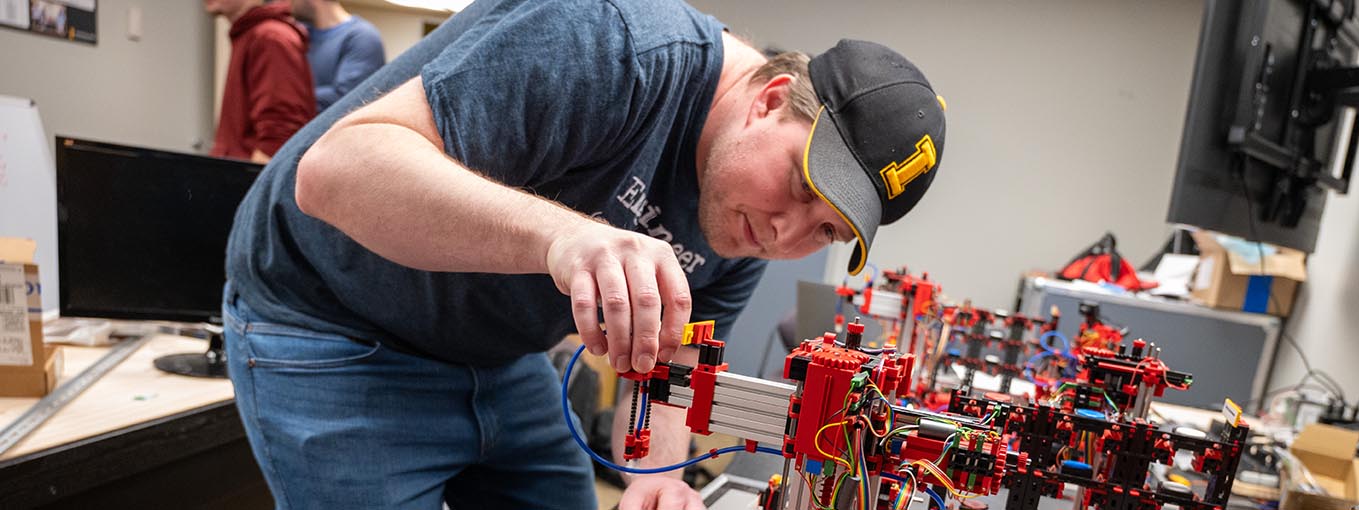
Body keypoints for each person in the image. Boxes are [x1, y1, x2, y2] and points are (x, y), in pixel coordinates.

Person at [222, 0, 948, 508]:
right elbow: (333, 173)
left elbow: (670, 368)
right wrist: (562, 237)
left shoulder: (749, 224)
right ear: (770, 99)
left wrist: (658, 475)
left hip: (496, 352)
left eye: (825, 233)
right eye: (798, 186)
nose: (787, 233)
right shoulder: (614, 43)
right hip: (329, 316)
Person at [207, 0, 315, 163]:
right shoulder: (253, 34)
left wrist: (251, 185)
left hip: (244, 181)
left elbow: (279, 136)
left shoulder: (270, 37)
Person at [289, 0, 385, 112]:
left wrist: (285, 96)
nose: (289, 3)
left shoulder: (362, 37)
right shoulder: (300, 35)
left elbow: (347, 97)